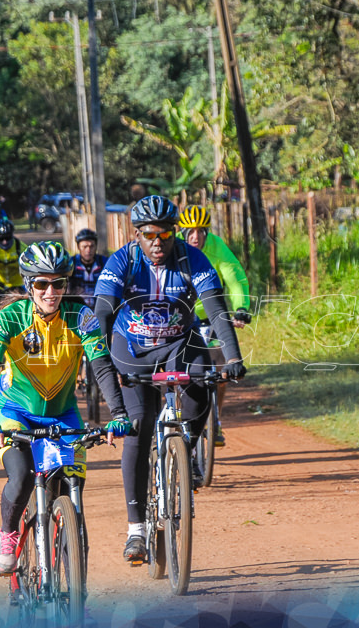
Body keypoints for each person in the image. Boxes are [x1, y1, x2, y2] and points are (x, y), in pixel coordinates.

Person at [93, 194, 246, 563]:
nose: (157, 243)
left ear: (173, 233)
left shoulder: (192, 257)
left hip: (180, 342)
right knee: (139, 426)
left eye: (165, 234)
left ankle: (186, 445)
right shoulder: (123, 261)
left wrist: (234, 355)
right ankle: (137, 531)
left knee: (201, 393)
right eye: (149, 235)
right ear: (137, 235)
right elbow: (102, 310)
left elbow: (216, 307)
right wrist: (96, 355)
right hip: (133, 347)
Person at [0, 242, 132, 572]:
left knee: (74, 498)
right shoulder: (10, 318)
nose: (51, 291)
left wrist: (118, 414)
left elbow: (101, 367)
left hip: (63, 414)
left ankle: (77, 593)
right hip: (13, 412)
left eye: (59, 283)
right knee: (22, 477)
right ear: (29, 284)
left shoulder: (80, 316)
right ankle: (8, 533)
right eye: (42, 283)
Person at [177, 204, 252, 447]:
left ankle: (216, 419)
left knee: (220, 369)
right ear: (181, 232)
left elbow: (236, 277)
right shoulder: (174, 248)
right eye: (190, 231)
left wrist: (241, 308)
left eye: (201, 231)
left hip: (210, 314)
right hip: (181, 316)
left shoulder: (217, 248)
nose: (195, 237)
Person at [69, 228, 108, 309]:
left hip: (100, 308)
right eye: (84, 247)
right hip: (77, 308)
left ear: (96, 247)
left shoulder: (104, 263)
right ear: (78, 247)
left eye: (92, 246)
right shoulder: (71, 264)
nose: (88, 250)